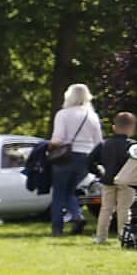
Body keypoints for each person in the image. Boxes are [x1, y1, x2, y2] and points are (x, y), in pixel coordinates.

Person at [47, 83, 103, 236]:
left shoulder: (63, 114)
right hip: (85, 158)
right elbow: (99, 142)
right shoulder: (92, 116)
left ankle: (57, 229)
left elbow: (58, 139)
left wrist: (48, 146)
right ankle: (76, 215)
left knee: (59, 193)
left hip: (65, 157)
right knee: (70, 191)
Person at [86, 111, 137, 244]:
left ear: (114, 127)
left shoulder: (104, 144)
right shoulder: (133, 146)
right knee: (124, 209)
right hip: (127, 180)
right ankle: (123, 236)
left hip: (108, 180)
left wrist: (99, 172)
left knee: (106, 209)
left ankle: (100, 237)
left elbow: (88, 161)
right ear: (132, 128)